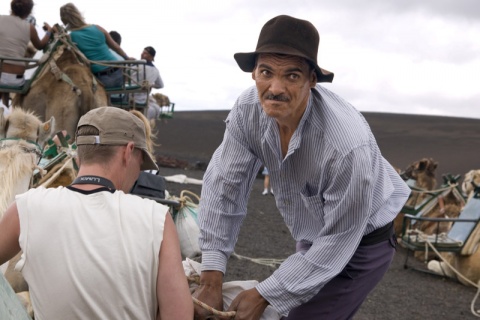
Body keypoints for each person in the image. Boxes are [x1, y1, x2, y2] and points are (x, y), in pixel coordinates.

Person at [194, 15, 411, 320]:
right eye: (266, 72)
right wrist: (210, 277)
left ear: (312, 79)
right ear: (253, 73)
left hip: (360, 245)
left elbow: (337, 242)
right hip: (312, 234)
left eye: (292, 76)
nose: (275, 88)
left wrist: (266, 293)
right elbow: (223, 189)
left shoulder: (346, 147)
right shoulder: (247, 112)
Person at [0, 107, 193, 319]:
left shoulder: (26, 208)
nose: (139, 172)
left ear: (78, 157)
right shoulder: (157, 219)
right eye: (141, 161)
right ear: (128, 152)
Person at [59, 3, 133, 88]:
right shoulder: (97, 27)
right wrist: (127, 58)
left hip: (101, 79)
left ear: (64, 21)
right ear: (78, 14)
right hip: (119, 74)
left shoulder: (71, 37)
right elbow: (116, 47)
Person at [0, 0, 53, 105]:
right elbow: (40, 45)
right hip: (15, 80)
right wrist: (49, 31)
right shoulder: (30, 28)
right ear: (29, 12)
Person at [132, 46, 164, 120]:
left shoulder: (135, 65)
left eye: (145, 53)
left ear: (151, 56)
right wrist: (151, 85)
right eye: (142, 52)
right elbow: (161, 85)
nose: (142, 54)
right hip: (143, 99)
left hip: (129, 97)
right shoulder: (155, 70)